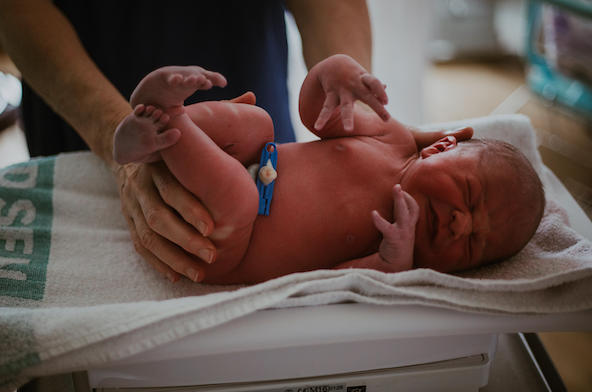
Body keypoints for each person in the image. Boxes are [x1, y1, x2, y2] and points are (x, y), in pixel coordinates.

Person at [0, 0, 373, 282]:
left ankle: (165, 118)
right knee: (248, 133)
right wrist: (344, 93)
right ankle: (157, 122)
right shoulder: (401, 150)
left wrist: (352, 108)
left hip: (251, 205)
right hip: (97, 108)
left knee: (232, 186)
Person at [113, 54, 546, 285]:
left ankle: (171, 123)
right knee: (256, 123)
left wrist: (388, 264)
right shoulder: (391, 137)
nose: (459, 224)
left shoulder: (399, 258)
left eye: (471, 246)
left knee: (240, 198)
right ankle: (153, 137)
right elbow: (318, 115)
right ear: (441, 146)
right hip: (252, 162)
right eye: (469, 195)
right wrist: (335, 73)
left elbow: (334, 284)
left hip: (230, 246)